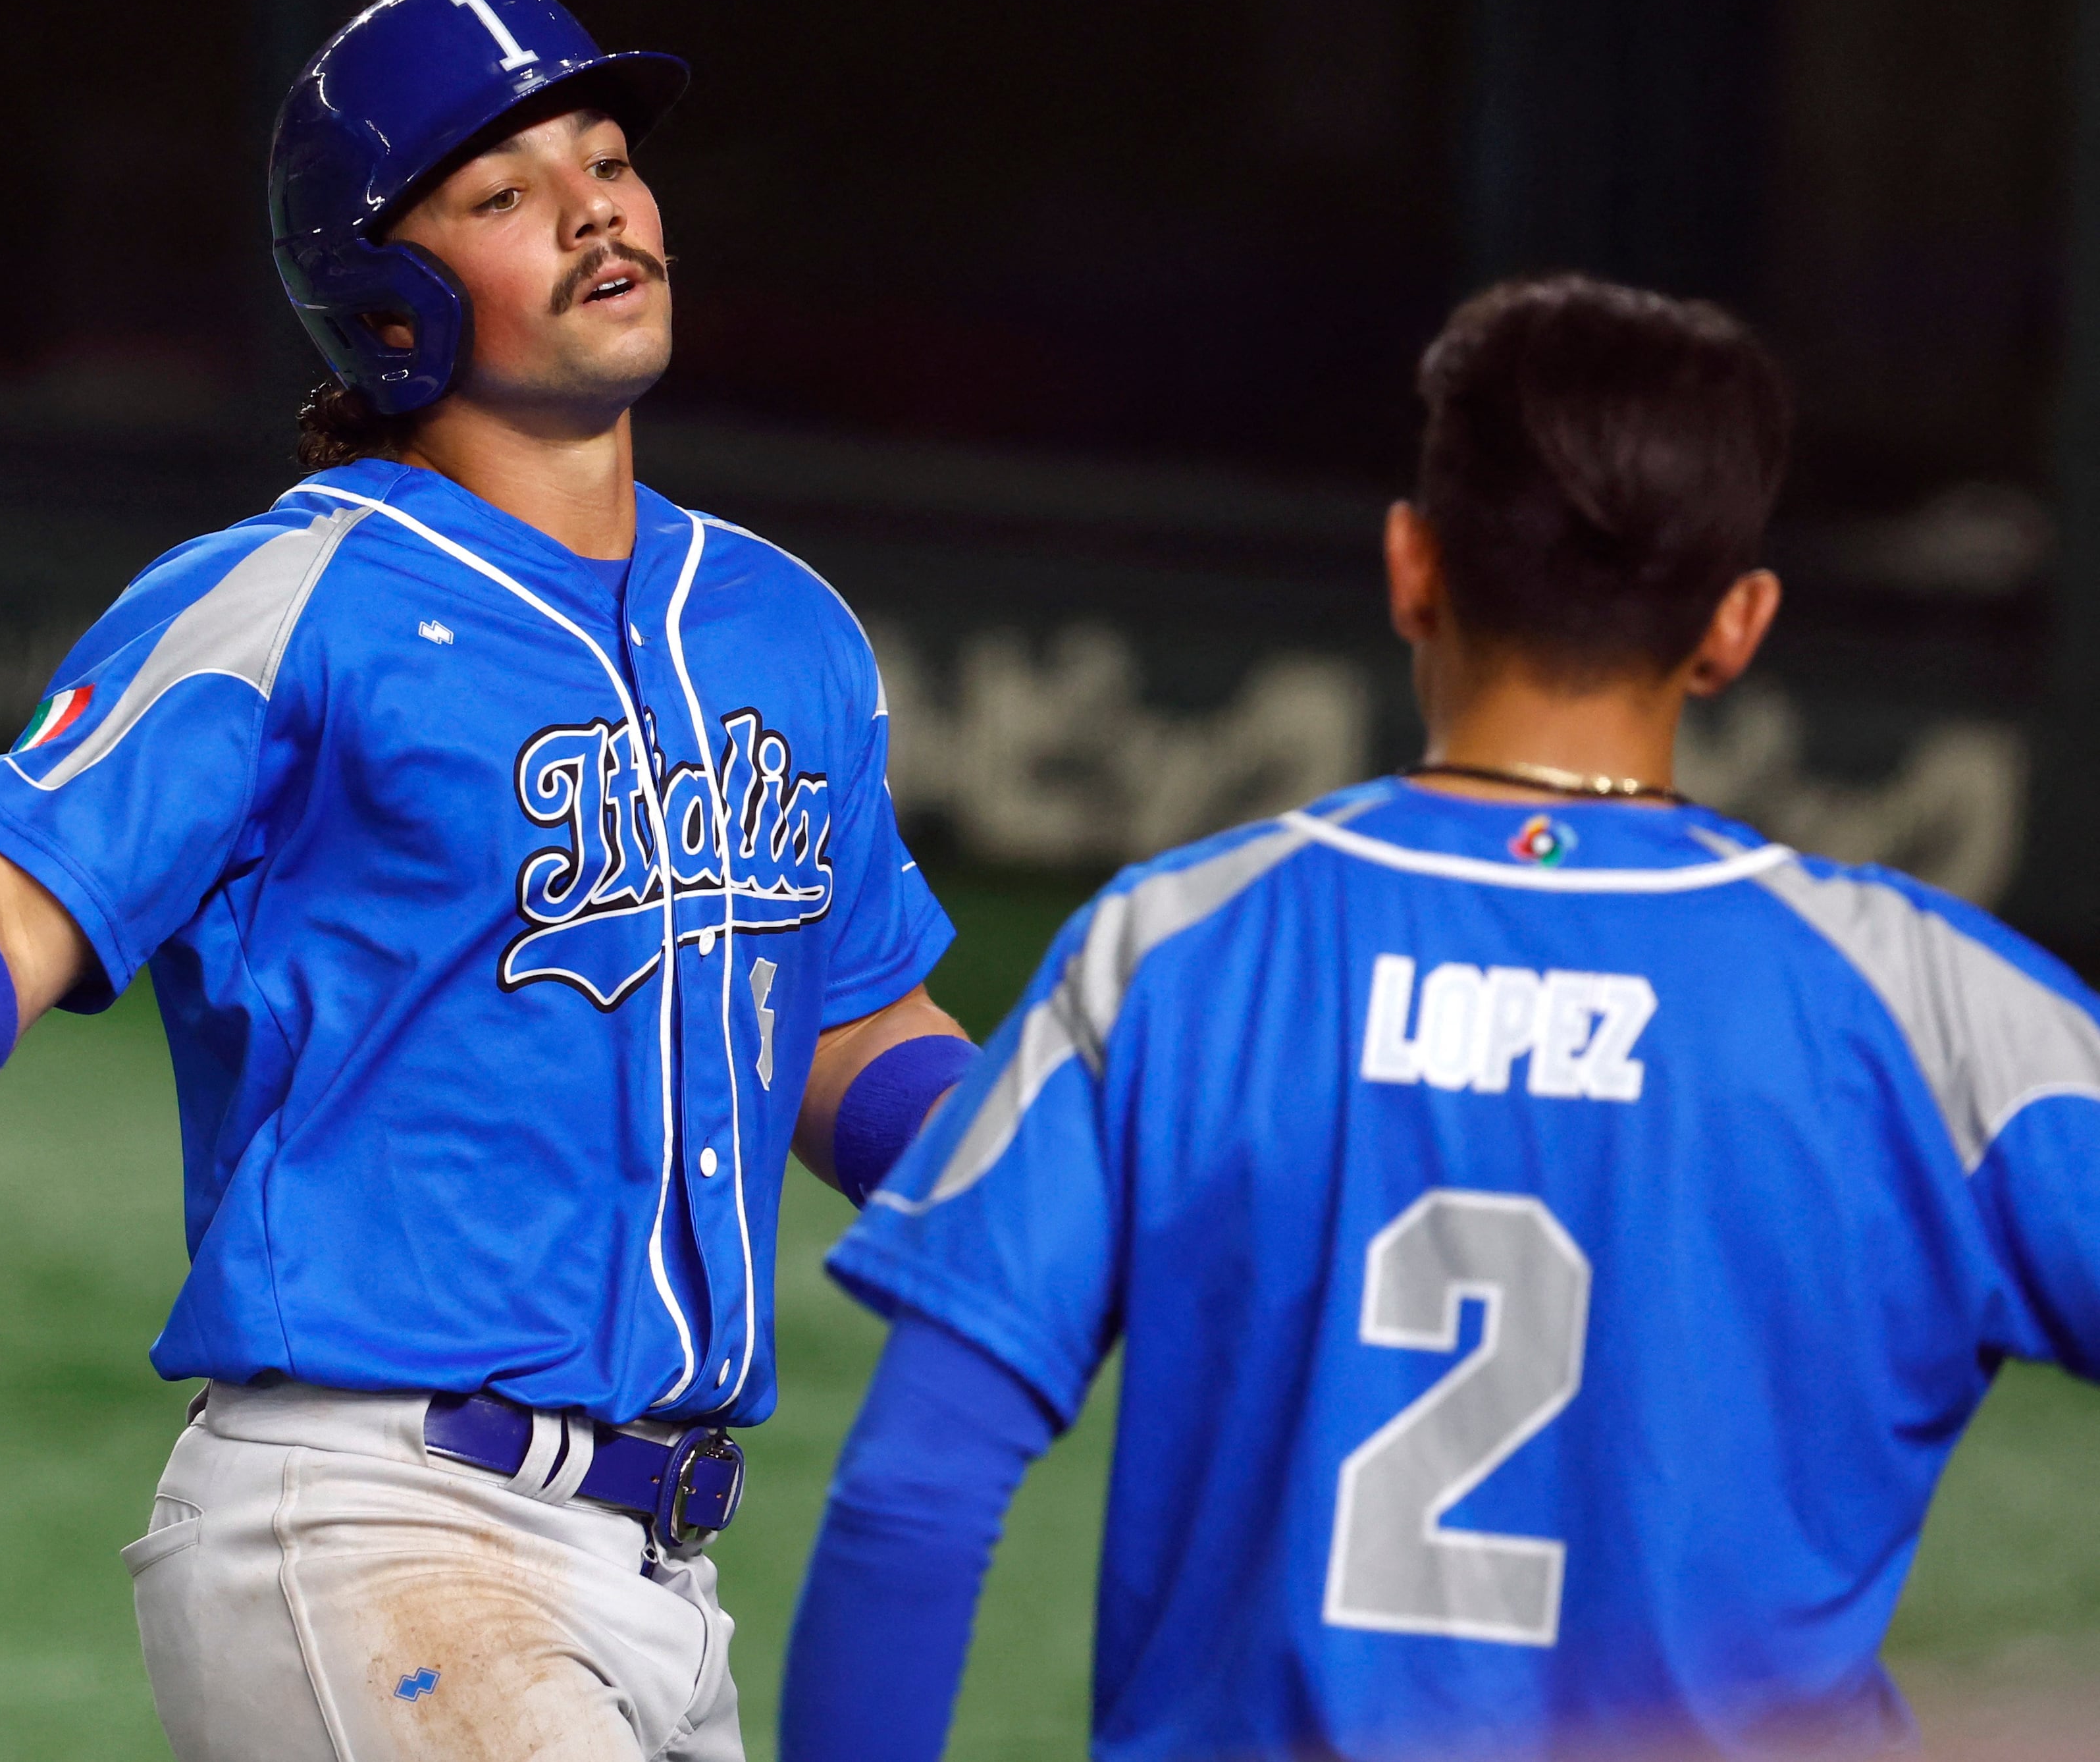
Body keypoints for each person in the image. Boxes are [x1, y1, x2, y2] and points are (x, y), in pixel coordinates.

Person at [0, 0, 976, 1760]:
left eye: (609, 160)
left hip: (664, 1569)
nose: (598, 207)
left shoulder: (781, 624)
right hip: (378, 1528)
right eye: (507, 193)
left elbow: (847, 1023)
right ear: (386, 296)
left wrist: (1053, 1173)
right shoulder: (295, 595)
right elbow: (26, 894)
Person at [779, 276, 2100, 1761]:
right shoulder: (1941, 1015)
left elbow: (915, 1490)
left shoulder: (1183, 949)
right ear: (1736, 626)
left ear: (1413, 568)